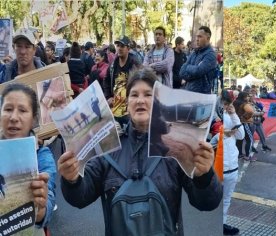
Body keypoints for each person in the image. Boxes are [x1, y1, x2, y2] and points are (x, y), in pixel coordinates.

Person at [58, 68, 222, 235]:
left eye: (148, 95)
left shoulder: (176, 145)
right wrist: (72, 180)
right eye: (134, 95)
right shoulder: (109, 145)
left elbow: (207, 203)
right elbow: (81, 197)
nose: (140, 101)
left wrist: (204, 176)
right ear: (127, 104)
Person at [0, 83, 56, 235]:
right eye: (8, 109)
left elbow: (49, 197)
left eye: (23, 110)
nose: (13, 117)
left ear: (33, 120)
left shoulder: (42, 156)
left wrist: (40, 209)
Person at [210, 90, 244, 236]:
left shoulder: (230, 116)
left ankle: (221, 225)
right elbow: (208, 141)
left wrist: (234, 114)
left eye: (228, 104)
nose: (226, 107)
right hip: (216, 168)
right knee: (213, 200)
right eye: (224, 104)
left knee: (226, 200)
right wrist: (222, 134)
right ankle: (211, 226)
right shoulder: (211, 116)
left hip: (232, 167)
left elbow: (241, 135)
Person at [103, 35, 141, 127]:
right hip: (115, 110)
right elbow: (106, 81)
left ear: (128, 48)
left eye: (122, 46)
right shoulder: (112, 65)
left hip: (129, 112)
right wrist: (108, 97)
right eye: (118, 45)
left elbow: (140, 85)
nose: (119, 48)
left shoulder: (134, 65)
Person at [179, 26, 217, 94]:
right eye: (196, 36)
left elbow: (198, 71)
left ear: (208, 38)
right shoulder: (194, 52)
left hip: (201, 96)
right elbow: (181, 72)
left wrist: (187, 66)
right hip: (189, 93)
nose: (197, 39)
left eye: (200, 36)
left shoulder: (211, 55)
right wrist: (193, 70)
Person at [233, 92, 256, 161]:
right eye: (247, 96)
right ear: (244, 97)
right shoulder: (244, 104)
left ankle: (239, 154)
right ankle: (247, 156)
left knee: (240, 139)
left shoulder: (235, 102)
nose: (248, 97)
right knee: (249, 140)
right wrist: (245, 117)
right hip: (245, 123)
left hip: (237, 123)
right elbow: (250, 111)